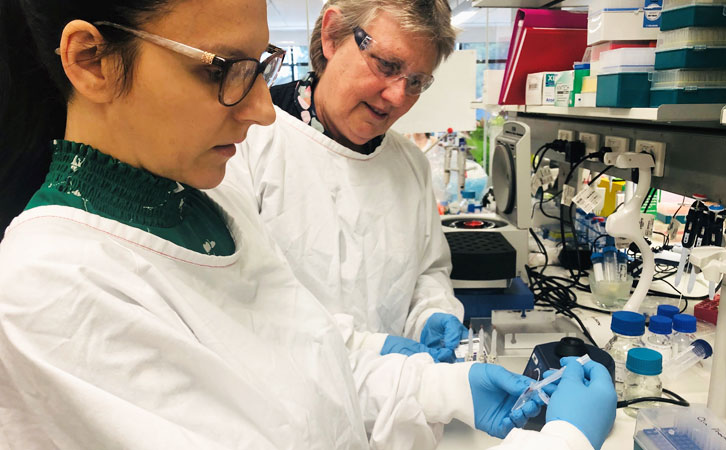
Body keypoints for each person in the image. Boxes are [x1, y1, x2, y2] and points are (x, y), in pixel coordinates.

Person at [0, 0, 617, 448]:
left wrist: (447, 389)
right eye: (226, 69)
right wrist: (561, 440)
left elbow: (313, 355)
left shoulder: (211, 209)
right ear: (91, 61)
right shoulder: (47, 290)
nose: (264, 109)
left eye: (261, 66)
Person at [233, 0, 467, 362]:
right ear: (332, 35)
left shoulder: (410, 166)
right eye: (387, 65)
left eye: (417, 81)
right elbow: (240, 303)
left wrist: (432, 314)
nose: (397, 96)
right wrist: (363, 349)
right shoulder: (246, 143)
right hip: (285, 402)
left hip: (398, 398)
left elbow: (427, 270)